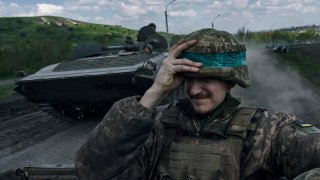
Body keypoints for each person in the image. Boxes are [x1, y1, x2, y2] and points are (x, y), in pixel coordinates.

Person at [74, 28, 320, 179]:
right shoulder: (155, 126)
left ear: (231, 81)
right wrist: (155, 91)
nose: (193, 90)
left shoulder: (268, 131)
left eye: (208, 79)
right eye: (187, 78)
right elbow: (91, 170)